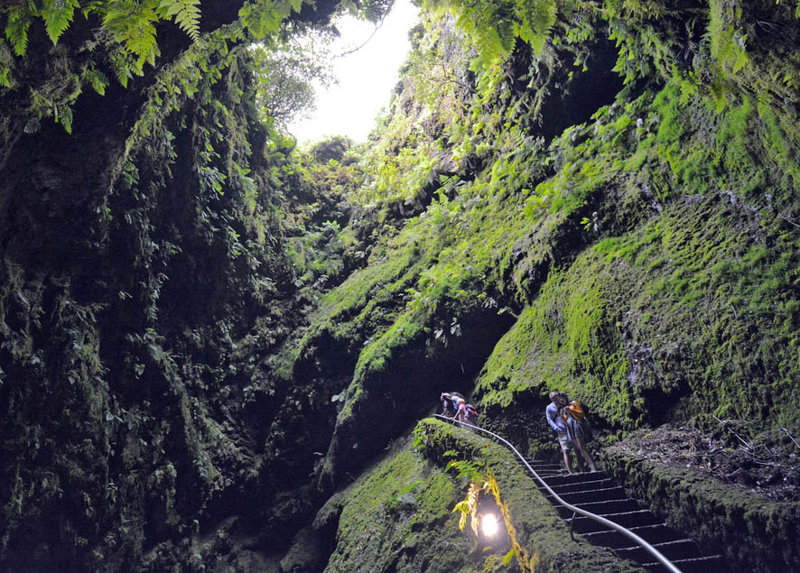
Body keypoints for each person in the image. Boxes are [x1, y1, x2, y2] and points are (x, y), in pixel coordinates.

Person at [561, 403, 597, 472]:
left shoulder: (573, 404)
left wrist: (570, 410)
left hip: (576, 425)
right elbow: (565, 420)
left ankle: (593, 466)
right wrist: (563, 415)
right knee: (579, 448)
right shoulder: (563, 408)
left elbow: (581, 414)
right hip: (570, 427)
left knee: (582, 446)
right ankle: (587, 467)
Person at [546, 391, 575, 474]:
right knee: (565, 450)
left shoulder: (564, 403)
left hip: (570, 427)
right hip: (561, 429)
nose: (555, 399)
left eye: (555, 397)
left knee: (576, 447)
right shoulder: (549, 407)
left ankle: (581, 468)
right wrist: (555, 428)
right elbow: (549, 419)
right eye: (553, 398)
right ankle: (570, 471)